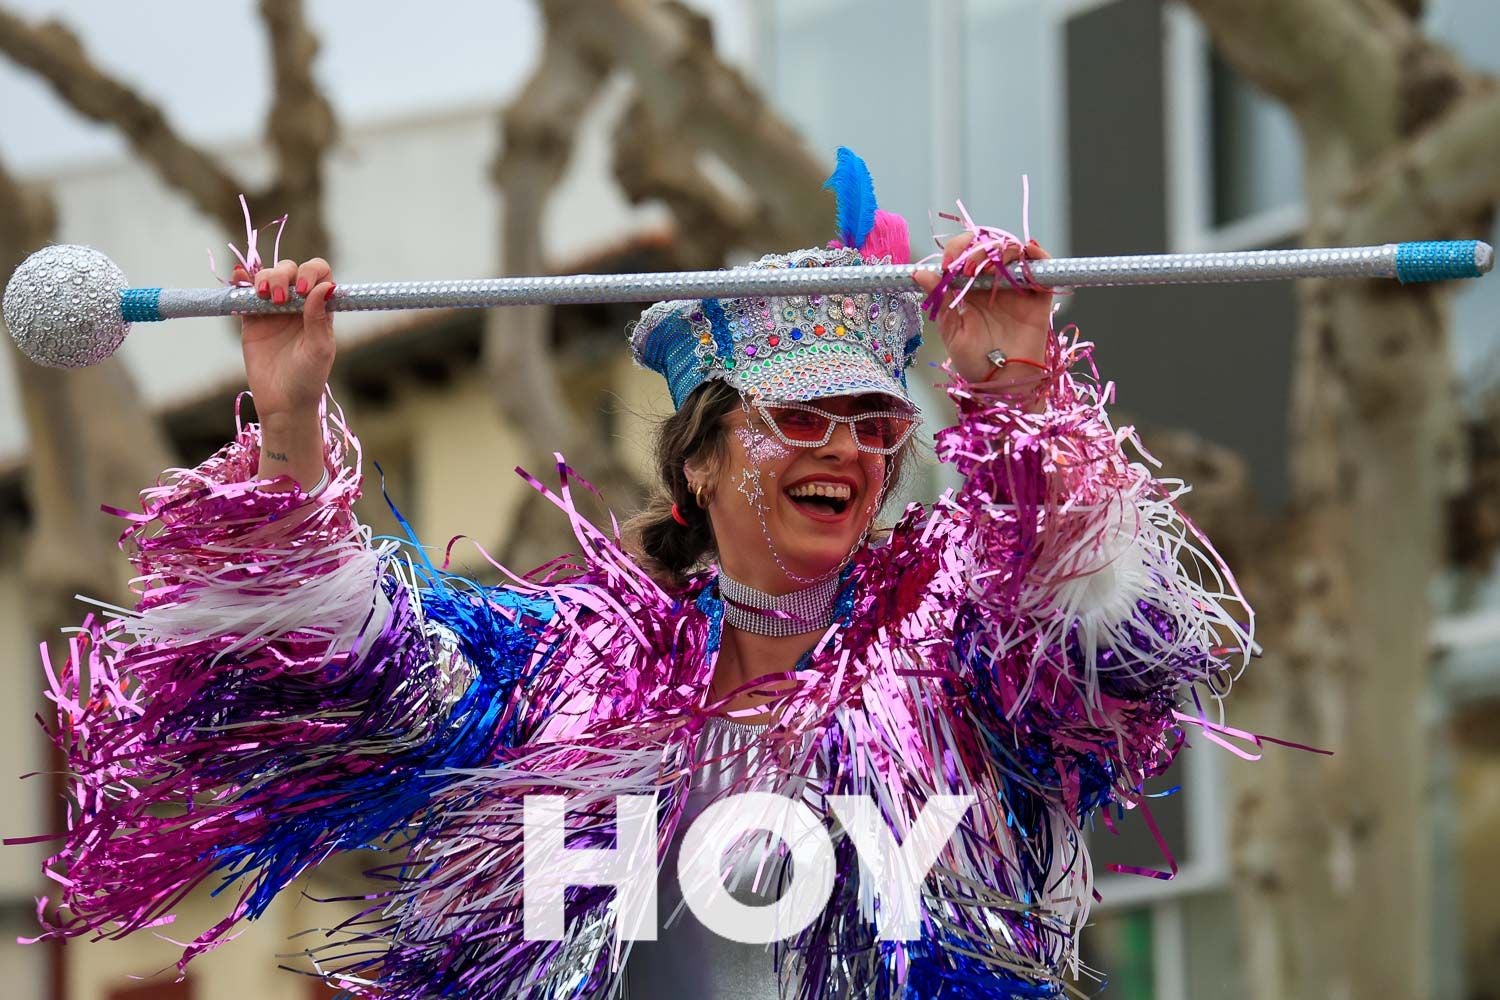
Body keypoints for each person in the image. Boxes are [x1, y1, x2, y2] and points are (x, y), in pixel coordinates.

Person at [31, 149, 1252, 998]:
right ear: (700, 466)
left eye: (875, 426)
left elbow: (1093, 632)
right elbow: (333, 665)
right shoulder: (560, 671)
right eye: (800, 418)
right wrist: (292, 417)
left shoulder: (949, 666)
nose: (845, 450)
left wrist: (1018, 390)